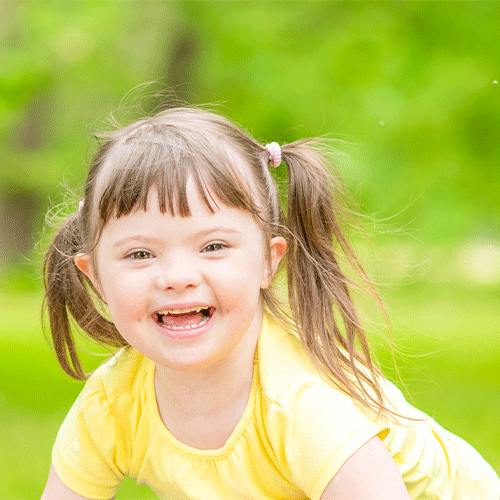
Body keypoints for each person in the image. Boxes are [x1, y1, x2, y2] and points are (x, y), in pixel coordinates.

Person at [41, 106, 499, 500]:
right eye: (140, 254)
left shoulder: (302, 404)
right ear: (95, 278)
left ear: (268, 262)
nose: (177, 278)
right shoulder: (113, 403)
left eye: (214, 246)